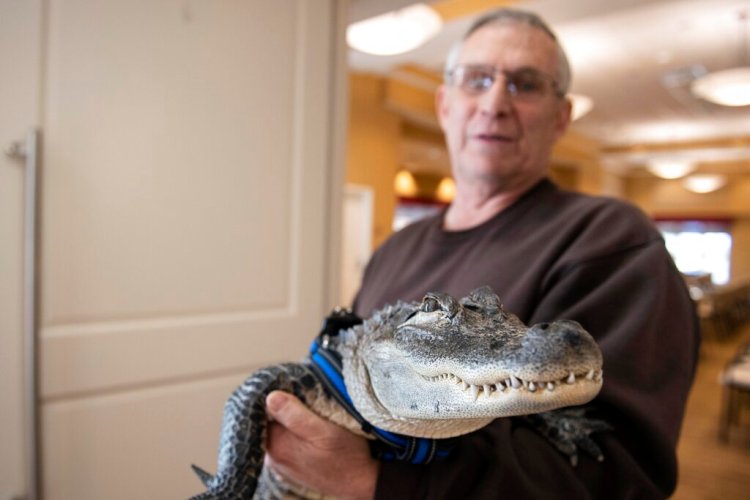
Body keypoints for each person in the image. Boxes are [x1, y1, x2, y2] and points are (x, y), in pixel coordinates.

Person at [265, 8, 700, 499]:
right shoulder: (395, 248)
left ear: (562, 117)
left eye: (525, 84)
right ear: (445, 103)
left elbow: (622, 476)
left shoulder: (611, 239)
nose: (494, 102)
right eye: (476, 80)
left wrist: (380, 483)